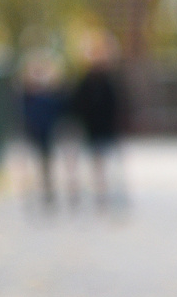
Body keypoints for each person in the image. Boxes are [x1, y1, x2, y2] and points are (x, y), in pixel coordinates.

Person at [68, 38, 125, 211]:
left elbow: (118, 104)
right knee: (95, 163)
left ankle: (109, 194)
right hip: (91, 129)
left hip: (107, 129)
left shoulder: (109, 81)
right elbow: (77, 104)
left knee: (109, 163)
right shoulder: (86, 82)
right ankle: (98, 194)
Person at [16, 54, 68, 210]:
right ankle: (31, 193)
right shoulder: (27, 96)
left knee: (46, 164)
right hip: (32, 132)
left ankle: (47, 192)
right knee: (30, 165)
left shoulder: (50, 95)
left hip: (47, 133)